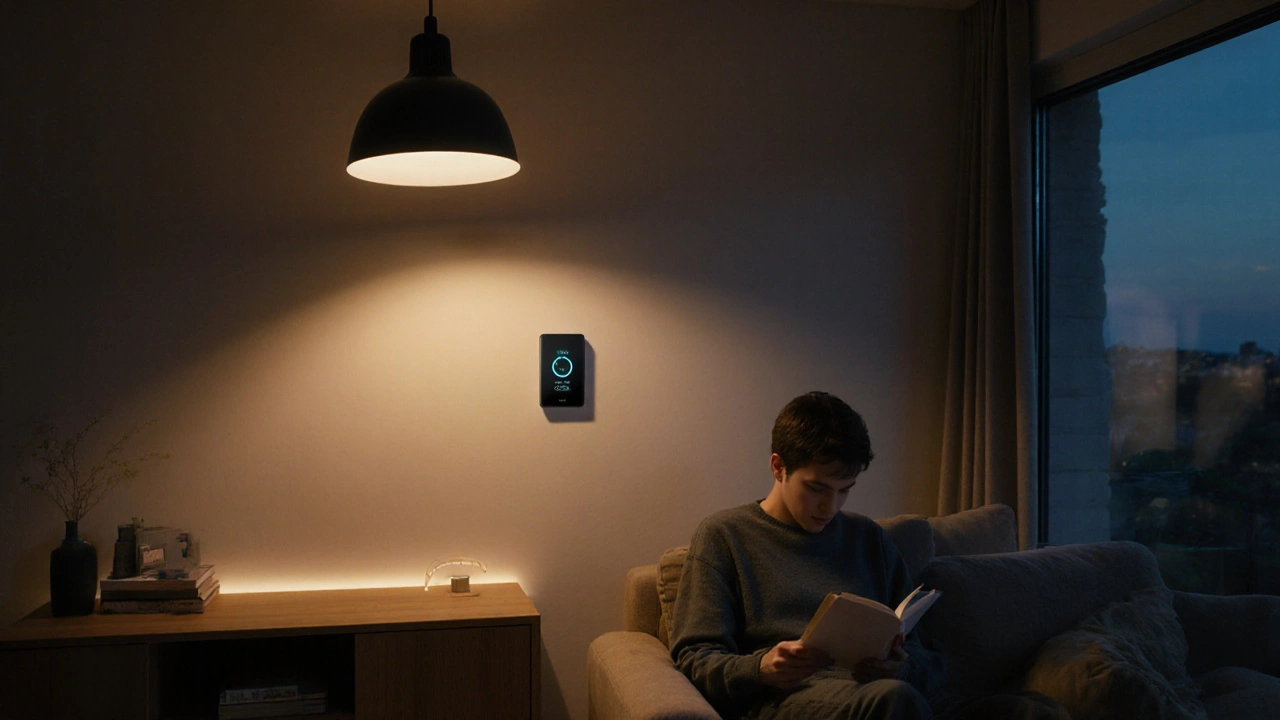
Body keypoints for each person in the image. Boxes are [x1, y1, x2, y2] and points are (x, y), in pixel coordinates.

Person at [669, 392, 1067, 720]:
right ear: (778, 467)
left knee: (1034, 712)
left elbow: (931, 657)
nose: (830, 506)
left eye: (845, 490)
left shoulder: (868, 540)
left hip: (888, 693)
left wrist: (902, 665)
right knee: (892, 701)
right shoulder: (725, 536)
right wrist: (760, 667)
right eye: (817, 488)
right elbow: (693, 658)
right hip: (789, 701)